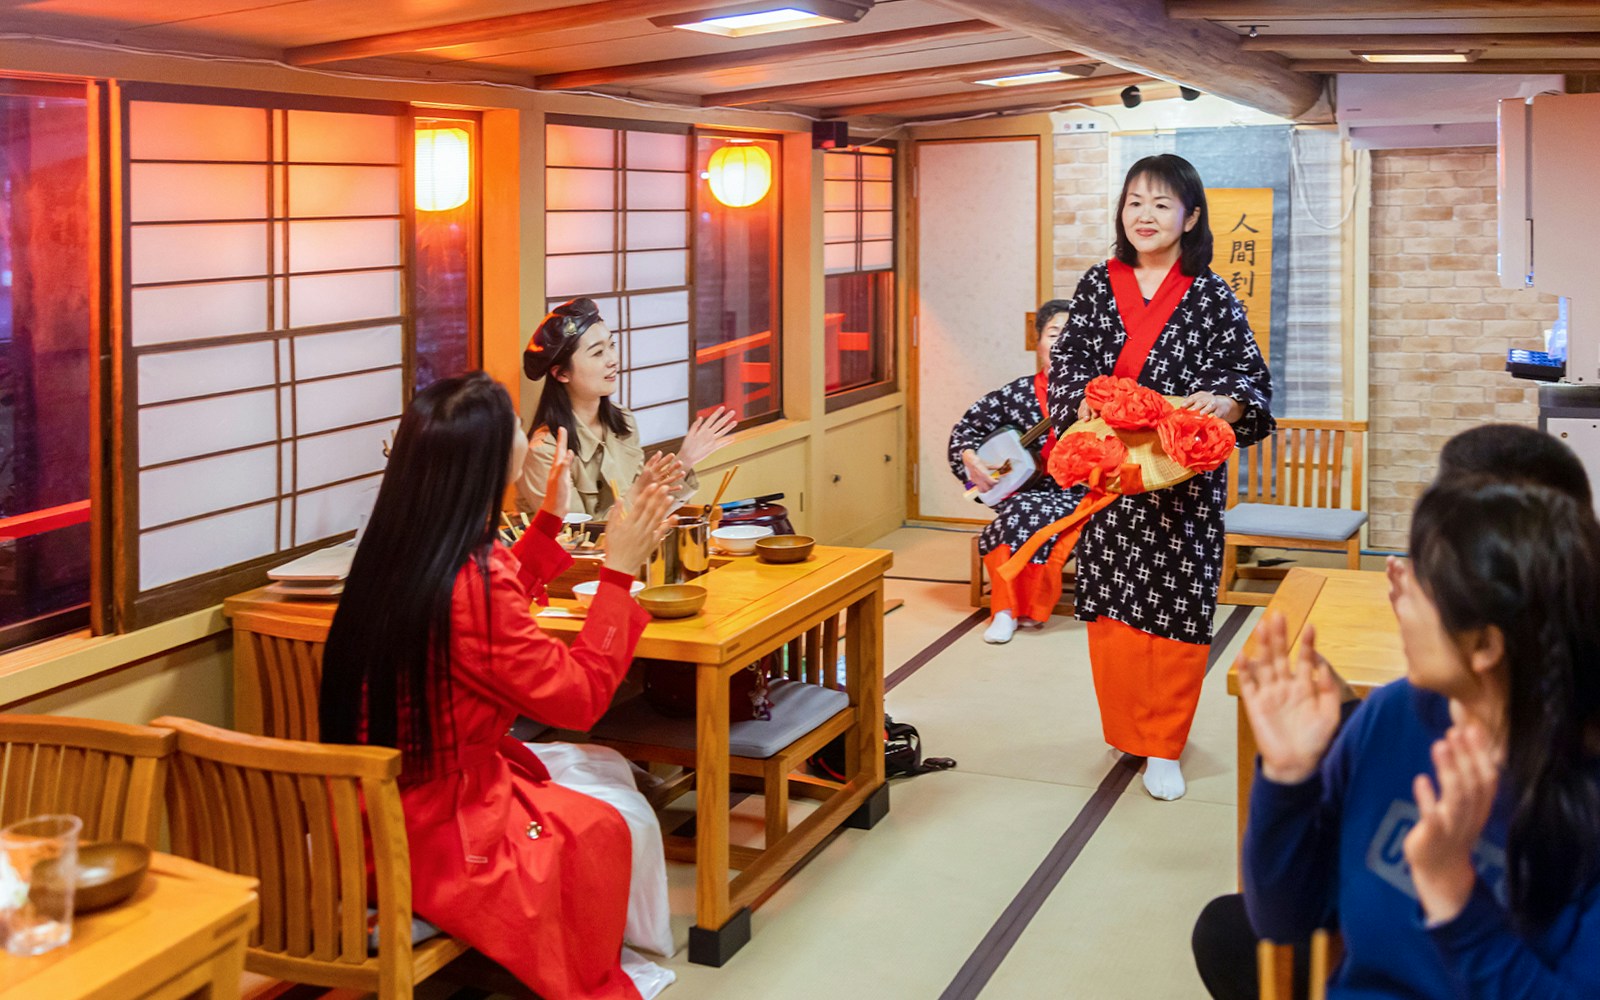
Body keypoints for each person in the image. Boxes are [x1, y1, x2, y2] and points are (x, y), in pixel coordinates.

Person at [1192, 422, 1595, 1000]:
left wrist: (1455, 894)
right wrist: (1286, 779)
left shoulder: (1579, 791)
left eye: (1424, 572)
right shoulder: (1391, 717)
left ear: (1485, 643)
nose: (1394, 580)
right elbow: (1282, 919)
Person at [320, 371, 679, 1000]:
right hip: (442, 827)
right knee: (606, 821)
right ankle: (593, 964)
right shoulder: (472, 580)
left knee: (609, 772)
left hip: (371, 804)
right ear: (487, 460)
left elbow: (480, 607)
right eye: (514, 424)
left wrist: (547, 523)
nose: (526, 431)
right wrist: (619, 572)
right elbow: (580, 698)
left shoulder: (394, 551)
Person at [1047, 154, 1274, 800]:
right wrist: (1085, 402)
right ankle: (1126, 729)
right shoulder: (1098, 284)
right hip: (1115, 473)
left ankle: (1166, 745)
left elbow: (1248, 378)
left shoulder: (1211, 293)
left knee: (1177, 606)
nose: (1144, 216)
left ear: (1191, 216)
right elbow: (1069, 366)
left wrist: (1225, 403)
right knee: (1114, 605)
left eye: (1161, 204)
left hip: (1183, 479)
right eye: (1134, 203)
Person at [517, 297, 738, 517]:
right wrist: (649, 485)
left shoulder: (623, 421)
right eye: (597, 353)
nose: (612, 359)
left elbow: (646, 514)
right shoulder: (544, 451)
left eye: (611, 345)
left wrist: (684, 462)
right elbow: (579, 539)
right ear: (562, 373)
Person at [948, 300, 1079, 644]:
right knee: (1020, 511)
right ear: (1037, 343)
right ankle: (1005, 611)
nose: (1061, 343)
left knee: (1025, 513)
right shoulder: (1015, 394)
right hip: (1028, 493)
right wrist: (970, 459)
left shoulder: (1098, 393)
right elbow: (966, 430)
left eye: (1071, 335)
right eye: (1053, 334)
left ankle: (1018, 607)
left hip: (1083, 493)